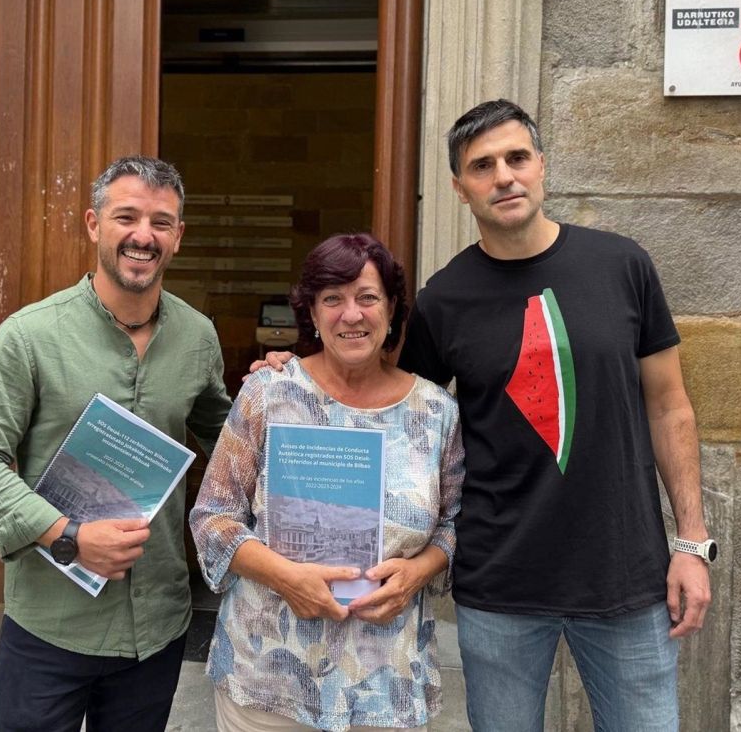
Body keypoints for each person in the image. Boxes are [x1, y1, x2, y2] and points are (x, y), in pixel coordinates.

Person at [260, 100, 713, 731]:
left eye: (516, 158)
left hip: (625, 576)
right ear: (460, 187)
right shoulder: (444, 300)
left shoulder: (622, 265)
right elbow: (383, 400)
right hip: (500, 585)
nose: (503, 176)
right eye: (482, 166)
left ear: (541, 166)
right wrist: (297, 369)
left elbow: (669, 407)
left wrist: (691, 543)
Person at [0, 155, 231, 732]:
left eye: (160, 222)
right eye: (126, 217)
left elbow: (230, 440)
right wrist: (68, 536)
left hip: (156, 625)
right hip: (51, 623)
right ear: (93, 224)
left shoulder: (198, 337)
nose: (143, 236)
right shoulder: (29, 336)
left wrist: (283, 389)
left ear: (178, 236)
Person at [190, 233, 464, 732]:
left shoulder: (436, 412)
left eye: (367, 297)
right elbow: (213, 517)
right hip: (269, 678)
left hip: (384, 679)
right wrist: (286, 577)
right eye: (333, 299)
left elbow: (453, 524)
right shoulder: (268, 393)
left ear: (391, 309)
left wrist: (419, 571)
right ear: (312, 314)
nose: (351, 314)